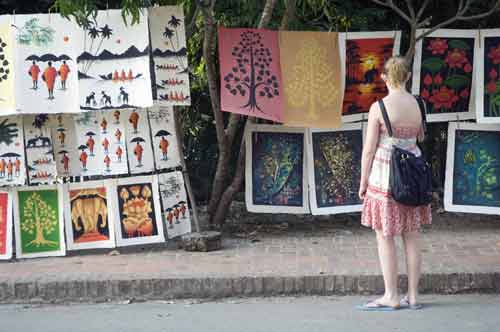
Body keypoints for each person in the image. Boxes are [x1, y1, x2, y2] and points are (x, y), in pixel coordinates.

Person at [358, 56, 431, 311]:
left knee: (385, 235)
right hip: (414, 172)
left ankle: (391, 295)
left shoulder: (379, 107)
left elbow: (368, 150)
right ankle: (413, 296)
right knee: (412, 235)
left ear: (384, 77)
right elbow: (420, 136)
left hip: (386, 172)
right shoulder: (419, 104)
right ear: (408, 77)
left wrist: (363, 181)